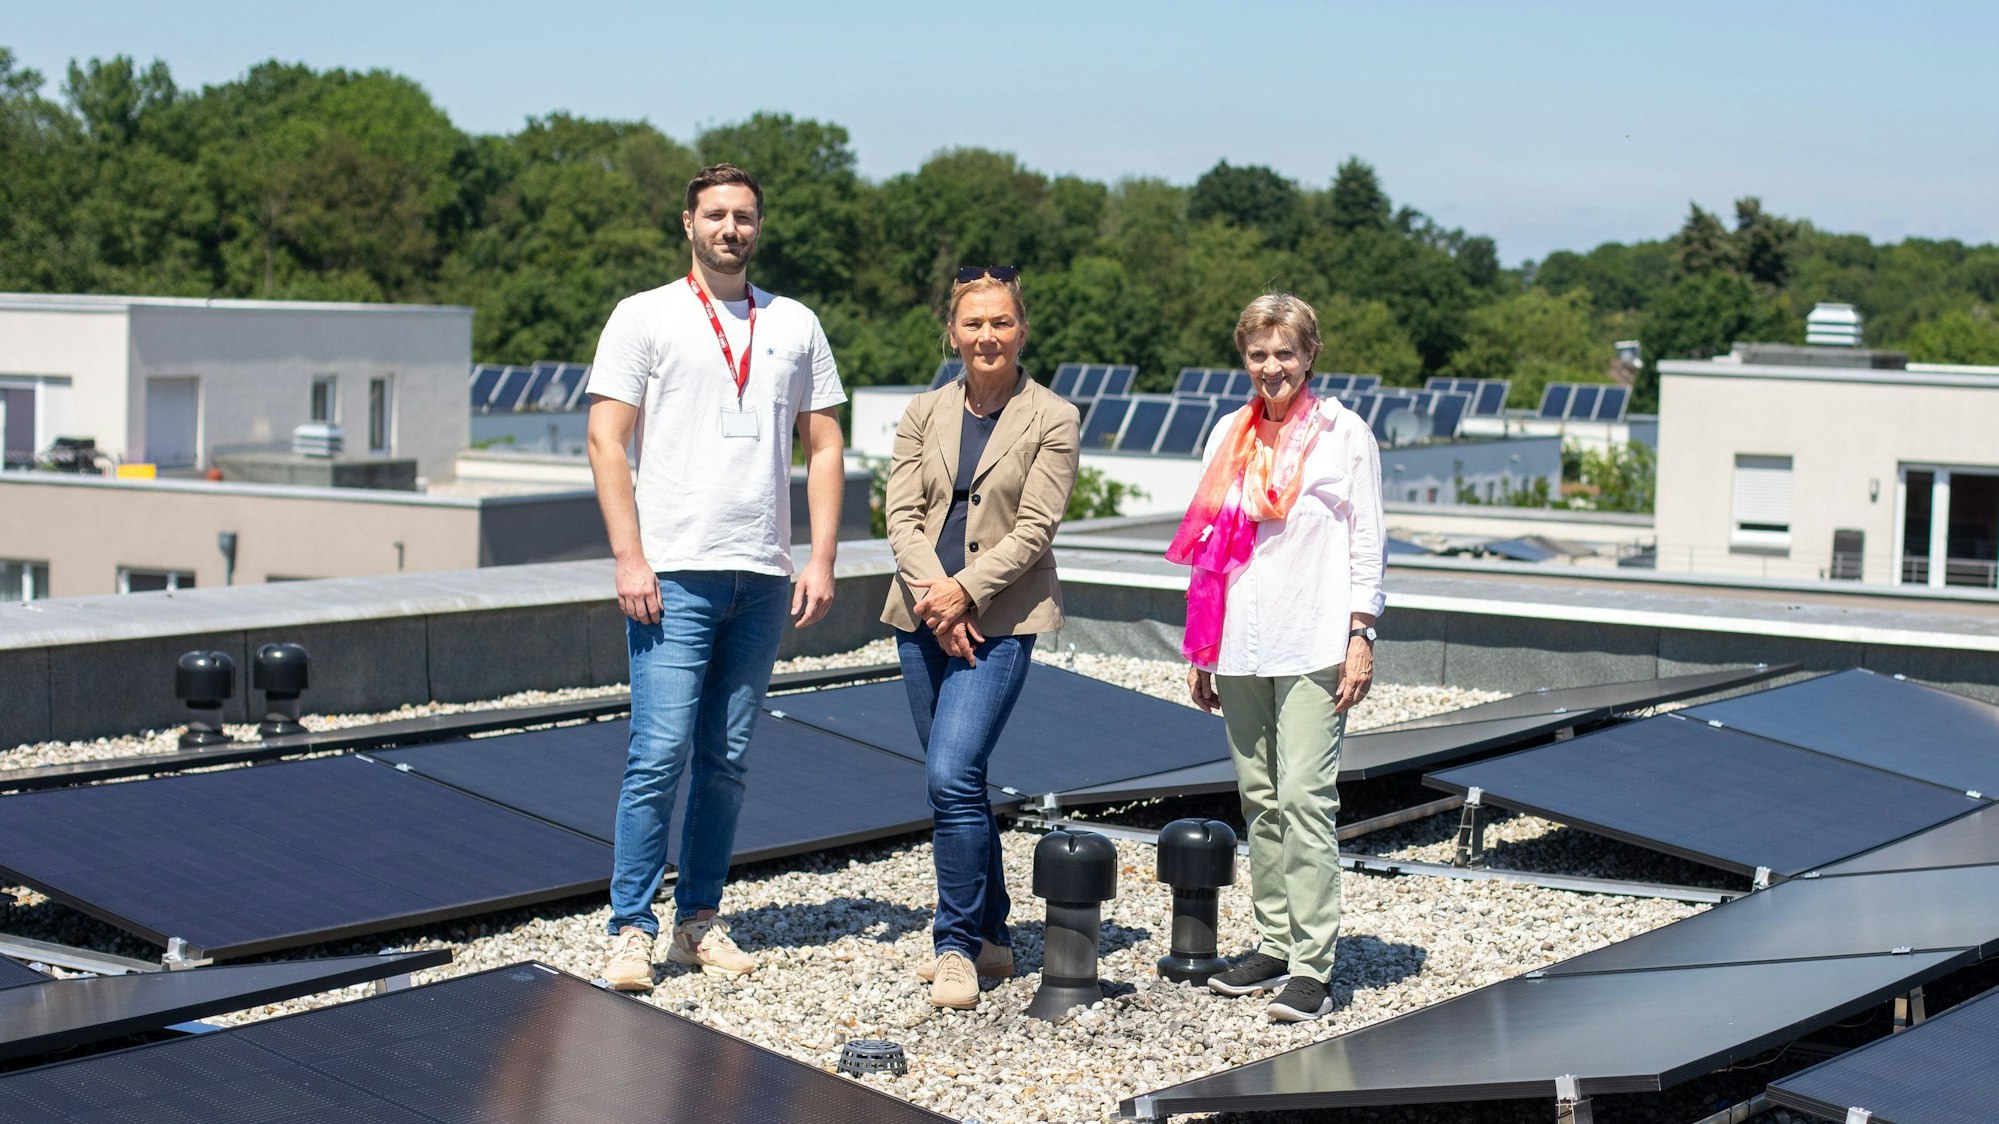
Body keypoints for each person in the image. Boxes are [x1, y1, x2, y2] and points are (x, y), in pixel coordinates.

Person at [585, 163, 847, 992]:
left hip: (762, 575)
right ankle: (631, 927)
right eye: (715, 216)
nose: (730, 229)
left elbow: (826, 443)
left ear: (757, 227)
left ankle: (698, 920)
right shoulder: (644, 317)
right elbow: (604, 440)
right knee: (658, 754)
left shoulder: (794, 323)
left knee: (726, 759)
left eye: (743, 217)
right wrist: (630, 556)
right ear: (688, 225)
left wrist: (822, 555)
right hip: (674, 573)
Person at [1168, 292, 1385, 1023]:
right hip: (1238, 639)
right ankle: (1271, 940)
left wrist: (1362, 632)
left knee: (1303, 798)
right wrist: (1201, 646)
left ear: (1309, 354)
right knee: (1258, 796)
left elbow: (1366, 539)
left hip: (1316, 637)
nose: (1271, 367)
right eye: (1258, 354)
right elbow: (1206, 547)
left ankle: (1313, 964)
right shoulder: (1228, 432)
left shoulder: (1343, 434)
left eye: (1284, 353)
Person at [881, 266, 1080, 1010]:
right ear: (953, 332)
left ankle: (955, 943)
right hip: (919, 615)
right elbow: (900, 517)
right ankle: (994, 935)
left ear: (1020, 330)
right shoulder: (921, 411)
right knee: (955, 782)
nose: (987, 336)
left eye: (1000, 323)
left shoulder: (1052, 416)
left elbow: (1036, 527)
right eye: (973, 324)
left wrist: (966, 592)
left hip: (999, 620)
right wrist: (938, 596)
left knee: (950, 775)